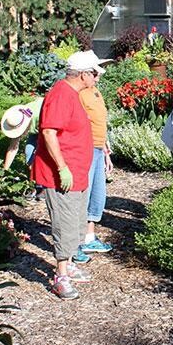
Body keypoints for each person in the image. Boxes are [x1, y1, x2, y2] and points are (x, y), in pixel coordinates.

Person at [34, 51, 106, 300]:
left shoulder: (74, 94)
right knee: (64, 223)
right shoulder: (61, 94)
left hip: (78, 173)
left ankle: (70, 264)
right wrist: (62, 167)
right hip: (61, 175)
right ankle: (60, 275)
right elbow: (49, 132)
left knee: (76, 221)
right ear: (84, 74)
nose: (96, 79)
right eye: (94, 74)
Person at [78, 51, 115, 257]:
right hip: (86, 148)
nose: (99, 74)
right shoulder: (80, 93)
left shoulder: (96, 93)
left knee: (97, 195)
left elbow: (100, 122)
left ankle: (90, 237)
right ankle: (77, 240)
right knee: (84, 192)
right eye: (95, 71)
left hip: (98, 148)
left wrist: (105, 150)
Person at [1, 96, 44, 200]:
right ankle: (34, 185)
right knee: (29, 156)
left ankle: (44, 188)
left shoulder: (40, 115)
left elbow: (48, 140)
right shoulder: (18, 117)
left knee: (38, 161)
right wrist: (3, 173)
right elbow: (12, 148)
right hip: (34, 131)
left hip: (46, 129)